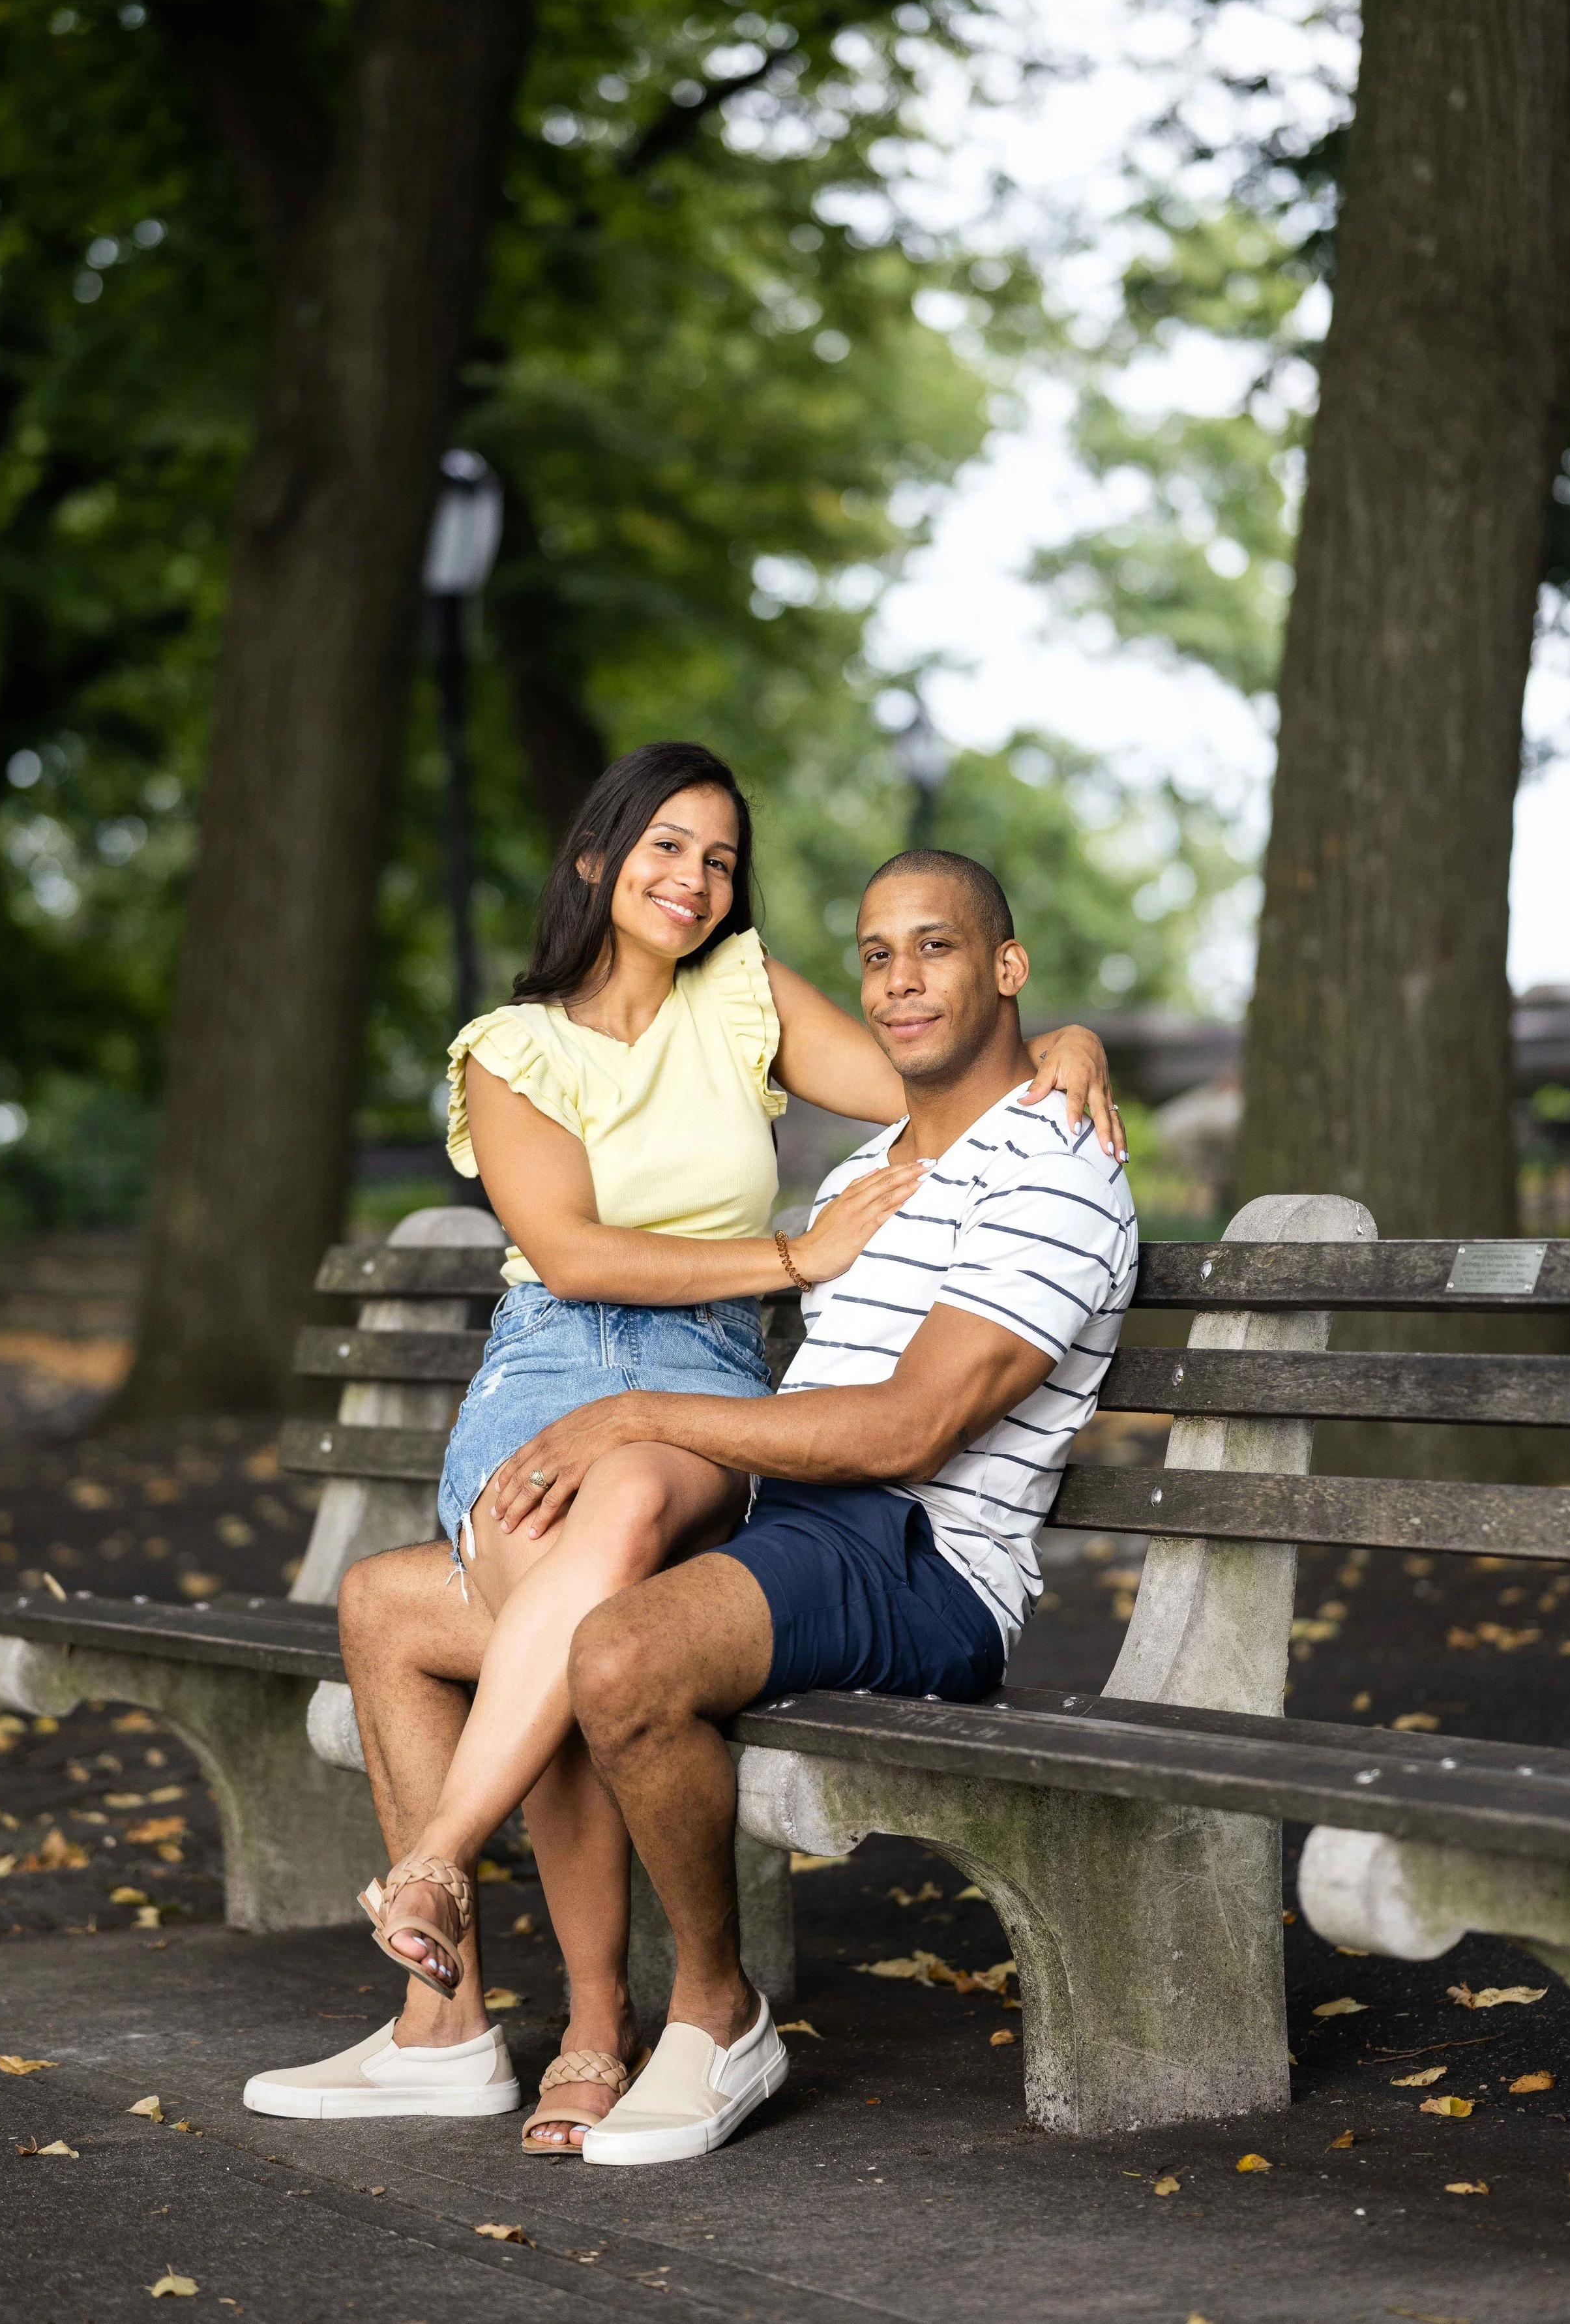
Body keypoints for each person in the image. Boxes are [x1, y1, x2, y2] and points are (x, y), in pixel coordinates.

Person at [243, 741, 1123, 2151]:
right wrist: (790, 1253)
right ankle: (444, 2024)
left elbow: (939, 1085)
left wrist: (1069, 1047)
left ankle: (594, 1989)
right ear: (595, 857)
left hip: (765, 1444)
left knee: (597, 1607)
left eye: (717, 857)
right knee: (388, 1603)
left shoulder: (761, 1009)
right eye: (663, 847)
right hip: (593, 1381)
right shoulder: (517, 1051)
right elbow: (578, 1250)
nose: (692, 878)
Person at [486, 844, 1140, 2165]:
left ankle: (715, 2014)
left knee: (615, 1654)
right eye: (876, 953)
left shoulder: (1055, 1166)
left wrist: (635, 1416)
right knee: (395, 1603)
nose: (899, 981)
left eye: (937, 946)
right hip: (795, 1526)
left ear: (1004, 968)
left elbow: (907, 1429)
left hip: (923, 1560)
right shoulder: (860, 1179)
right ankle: (434, 2026)